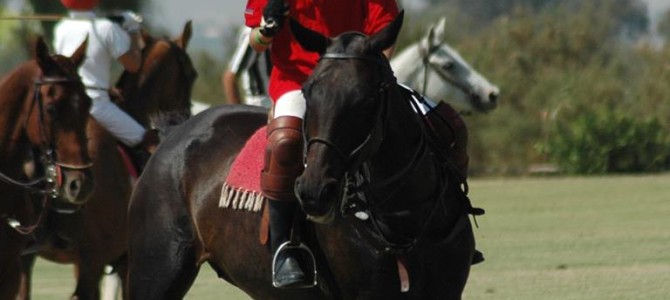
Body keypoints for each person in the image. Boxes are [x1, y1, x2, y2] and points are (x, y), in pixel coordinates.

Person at [244, 0, 400, 288]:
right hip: (296, 81)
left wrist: (372, 71)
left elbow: (386, 28)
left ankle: (441, 223)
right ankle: (284, 249)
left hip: (355, 80)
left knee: (428, 121)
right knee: (286, 141)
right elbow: (255, 43)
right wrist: (266, 30)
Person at [53, 0, 159, 160]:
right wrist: (133, 30)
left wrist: (106, 87)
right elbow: (134, 65)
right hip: (97, 106)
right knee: (149, 141)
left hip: (67, 103)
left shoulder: (60, 28)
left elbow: (74, 69)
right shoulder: (107, 28)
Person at [222, 26, 272, 107]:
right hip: (261, 103)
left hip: (271, 101)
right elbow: (230, 78)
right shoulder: (256, 31)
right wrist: (237, 114)